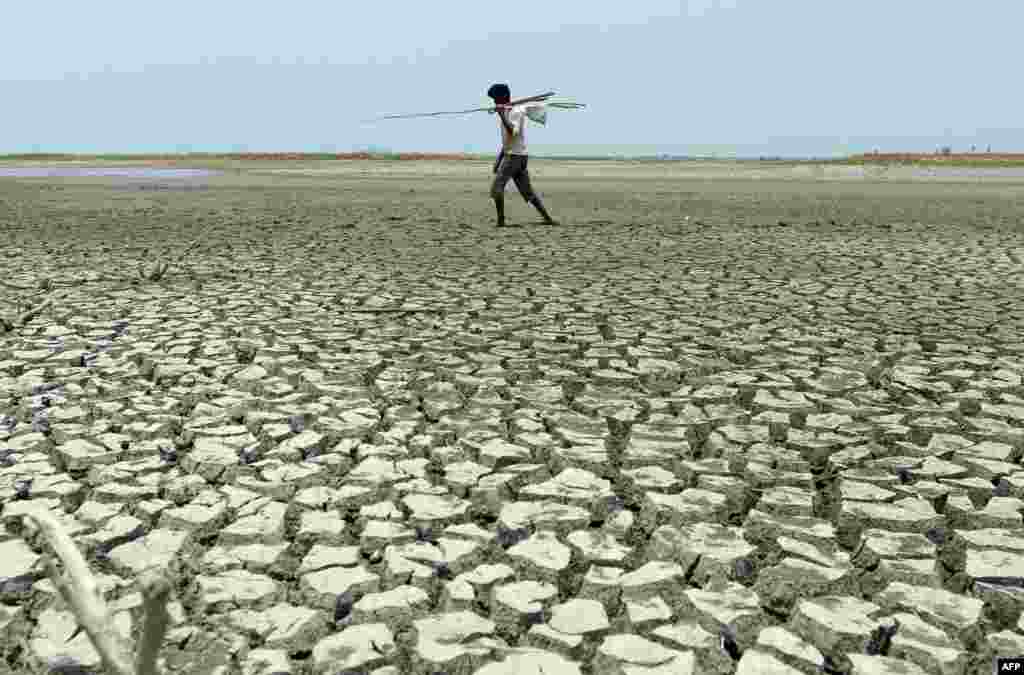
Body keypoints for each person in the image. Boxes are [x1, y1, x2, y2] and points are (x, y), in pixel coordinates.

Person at [487, 83, 557, 227]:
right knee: (527, 191)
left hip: (514, 157)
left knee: (496, 189)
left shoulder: (516, 111)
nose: (494, 102)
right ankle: (547, 218)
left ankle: (501, 221)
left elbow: (513, 132)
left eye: (495, 98)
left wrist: (501, 114)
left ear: (504, 96)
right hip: (516, 155)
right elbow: (508, 140)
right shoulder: (507, 111)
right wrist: (499, 159)